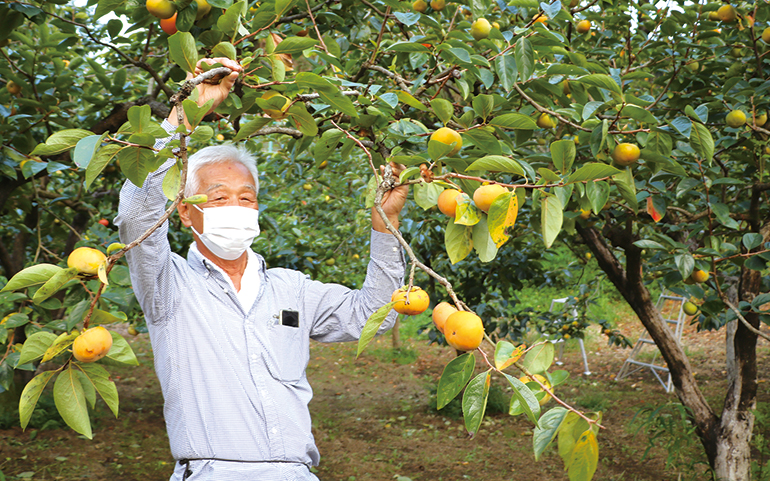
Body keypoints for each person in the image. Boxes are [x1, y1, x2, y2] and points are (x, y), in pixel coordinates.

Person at [115, 58, 408, 480]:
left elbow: (374, 315)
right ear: (183, 211)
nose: (235, 207)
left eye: (246, 198)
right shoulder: (168, 286)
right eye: (217, 198)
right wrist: (186, 112)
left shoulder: (291, 289)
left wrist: (385, 225)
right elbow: (137, 214)